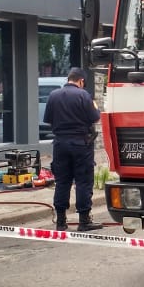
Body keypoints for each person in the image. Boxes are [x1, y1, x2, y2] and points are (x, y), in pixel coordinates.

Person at [43, 67, 102, 231]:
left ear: (68, 79)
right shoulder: (84, 95)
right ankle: (84, 221)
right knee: (83, 181)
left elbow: (48, 120)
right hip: (80, 144)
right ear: (81, 81)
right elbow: (95, 117)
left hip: (60, 144)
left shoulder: (53, 95)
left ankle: (61, 222)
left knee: (62, 181)